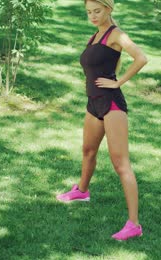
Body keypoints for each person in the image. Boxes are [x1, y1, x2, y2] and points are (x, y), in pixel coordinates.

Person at [56, 0, 148, 241]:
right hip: (93, 102)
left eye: (97, 11)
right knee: (88, 150)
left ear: (108, 9)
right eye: (89, 12)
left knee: (121, 163)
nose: (93, 16)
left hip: (112, 103)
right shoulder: (95, 36)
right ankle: (82, 191)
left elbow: (141, 58)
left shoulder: (116, 34)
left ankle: (134, 224)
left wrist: (118, 82)